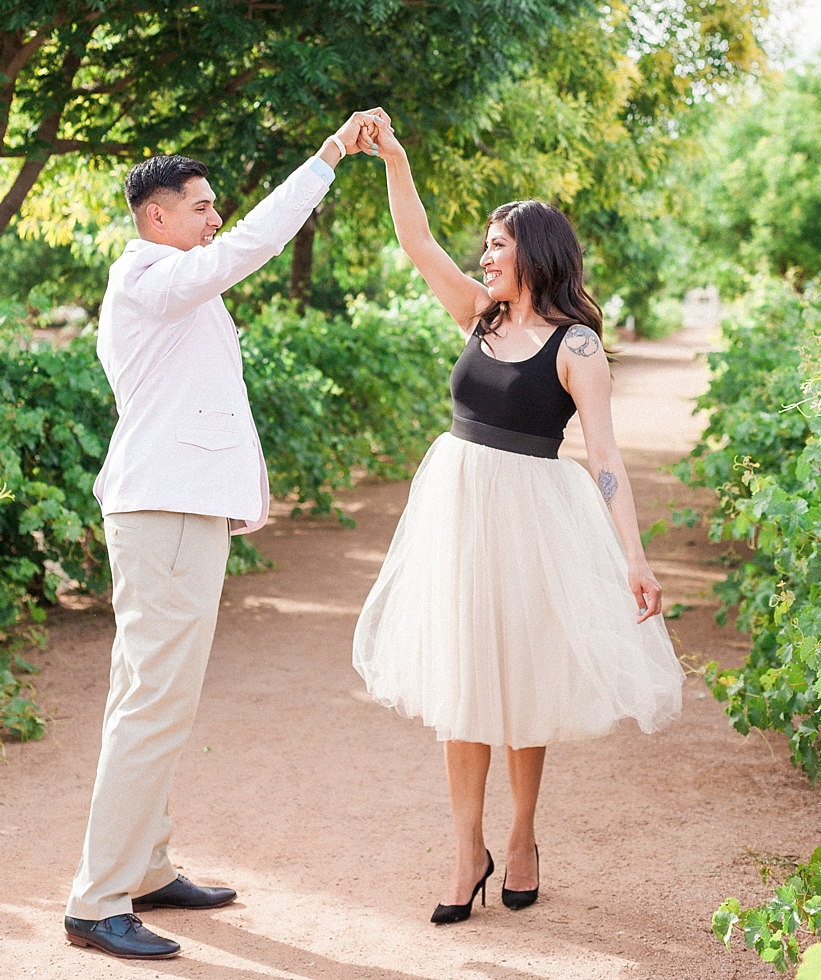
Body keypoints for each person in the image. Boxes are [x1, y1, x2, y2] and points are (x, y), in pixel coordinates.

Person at [352, 111, 684, 924]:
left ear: (534, 253)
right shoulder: (476, 315)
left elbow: (605, 458)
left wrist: (634, 561)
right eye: (486, 245)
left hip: (533, 520)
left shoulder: (576, 348)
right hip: (458, 515)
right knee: (461, 680)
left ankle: (523, 835)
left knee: (521, 680)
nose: (483, 255)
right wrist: (395, 156)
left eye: (497, 244)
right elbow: (416, 242)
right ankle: (467, 853)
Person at [65, 113, 380, 960]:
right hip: (161, 514)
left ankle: (146, 867)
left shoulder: (171, 287)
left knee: (162, 697)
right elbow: (249, 247)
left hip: (178, 513)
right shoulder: (146, 276)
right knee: (150, 703)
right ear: (156, 217)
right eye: (200, 208)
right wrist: (324, 161)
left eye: (214, 208)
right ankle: (96, 901)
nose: (213, 220)